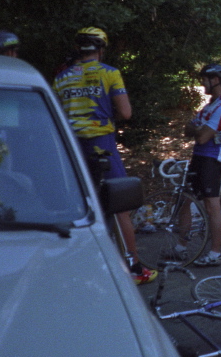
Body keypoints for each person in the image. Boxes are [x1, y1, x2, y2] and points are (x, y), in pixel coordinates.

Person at [52, 27, 155, 284]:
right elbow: (126, 112)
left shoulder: (62, 77)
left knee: (81, 205)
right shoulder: (109, 73)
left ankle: (81, 267)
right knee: (120, 205)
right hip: (102, 144)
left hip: (72, 147)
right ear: (101, 49)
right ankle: (133, 268)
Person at [180, 64, 221, 267]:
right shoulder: (210, 105)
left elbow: (202, 137)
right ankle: (181, 248)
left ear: (215, 80)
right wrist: (197, 129)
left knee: (212, 207)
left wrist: (197, 128)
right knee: (186, 201)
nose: (202, 82)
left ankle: (215, 254)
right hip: (198, 157)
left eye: (205, 78)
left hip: (212, 159)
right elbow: (187, 129)